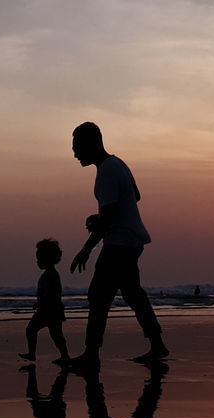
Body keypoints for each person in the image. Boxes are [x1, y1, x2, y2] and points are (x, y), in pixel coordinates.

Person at [67, 122, 168, 367]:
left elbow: (110, 216)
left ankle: (91, 355)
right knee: (133, 295)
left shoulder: (107, 171)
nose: (75, 153)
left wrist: (87, 246)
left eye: (77, 146)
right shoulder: (118, 164)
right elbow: (136, 195)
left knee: (98, 296)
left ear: (92, 143)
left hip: (120, 243)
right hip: (130, 241)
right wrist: (102, 217)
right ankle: (157, 345)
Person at [19, 238, 71, 364]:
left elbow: (50, 293)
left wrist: (41, 303)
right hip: (52, 309)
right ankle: (64, 355)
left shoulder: (51, 275)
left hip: (49, 310)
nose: (37, 262)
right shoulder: (50, 273)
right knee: (55, 334)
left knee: (34, 330)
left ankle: (34, 354)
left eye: (39, 259)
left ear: (46, 259)